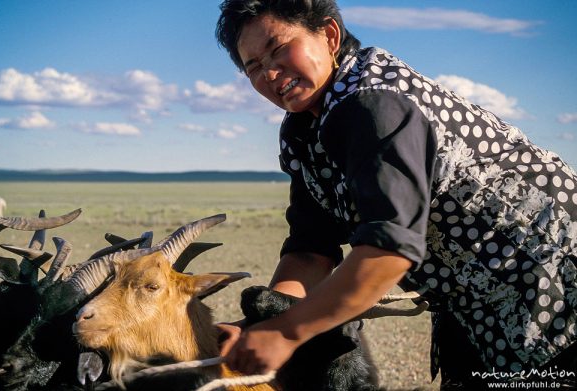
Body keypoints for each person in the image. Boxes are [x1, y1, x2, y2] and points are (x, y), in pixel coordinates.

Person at [214, 0, 577, 389]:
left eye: (279, 48)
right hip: (475, 307)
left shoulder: (375, 103)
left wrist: (286, 332)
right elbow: (310, 248)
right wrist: (259, 327)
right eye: (253, 66)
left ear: (330, 35)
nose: (269, 71)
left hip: (554, 289)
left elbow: (388, 250)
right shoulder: (304, 133)